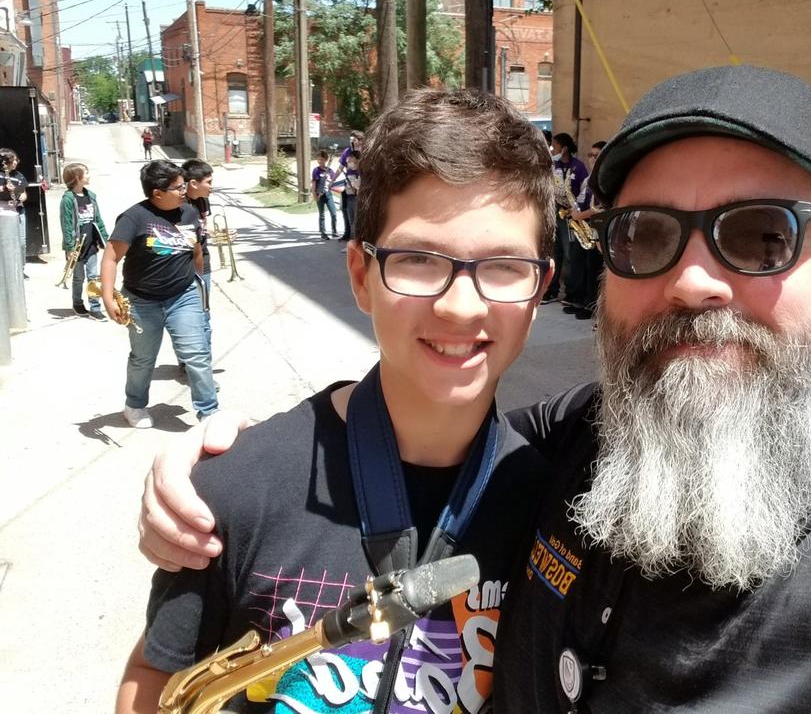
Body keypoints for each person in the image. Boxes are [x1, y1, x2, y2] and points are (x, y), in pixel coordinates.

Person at [139, 66, 811, 713]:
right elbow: (423, 417)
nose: (696, 280)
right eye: (646, 235)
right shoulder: (569, 447)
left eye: (760, 236)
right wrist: (226, 460)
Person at [115, 89, 556, 714]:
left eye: (506, 266)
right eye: (419, 260)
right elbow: (158, 676)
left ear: (542, 288)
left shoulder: (558, 510)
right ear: (359, 276)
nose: (462, 305)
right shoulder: (237, 490)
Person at [101, 160, 217, 429]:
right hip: (142, 301)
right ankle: (135, 405)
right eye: (178, 187)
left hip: (183, 296)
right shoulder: (134, 217)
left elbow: (196, 252)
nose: (184, 191)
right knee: (143, 358)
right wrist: (108, 297)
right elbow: (110, 258)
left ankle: (209, 413)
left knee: (196, 353)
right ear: (157, 193)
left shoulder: (189, 213)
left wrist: (199, 283)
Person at [59, 162, 109, 319]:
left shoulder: (91, 196)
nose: (88, 176)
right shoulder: (67, 200)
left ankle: (95, 307)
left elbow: (98, 220)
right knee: (79, 277)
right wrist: (69, 247)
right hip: (77, 246)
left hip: (91, 244)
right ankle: (78, 303)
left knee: (93, 276)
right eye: (86, 173)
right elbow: (66, 224)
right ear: (77, 178)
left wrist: (106, 240)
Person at [544, 132, 588, 304]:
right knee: (555, 252)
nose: (553, 148)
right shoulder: (553, 164)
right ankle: (552, 289)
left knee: (569, 252)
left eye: (556, 145)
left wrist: (575, 210)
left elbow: (584, 190)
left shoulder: (579, 166)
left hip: (571, 213)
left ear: (565, 148)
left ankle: (570, 290)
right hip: (555, 210)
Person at [565, 140, 606, 319]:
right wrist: (574, 211)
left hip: (596, 229)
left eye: (596, 155)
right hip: (582, 228)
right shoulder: (589, 179)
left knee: (593, 269)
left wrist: (580, 215)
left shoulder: (605, 179)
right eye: (590, 155)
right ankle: (579, 300)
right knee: (578, 265)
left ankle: (590, 306)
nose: (592, 158)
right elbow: (581, 199)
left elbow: (603, 207)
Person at [182, 159, 215, 363]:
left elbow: (204, 228)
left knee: (204, 316)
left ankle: (202, 365)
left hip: (204, 261)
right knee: (193, 318)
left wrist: (217, 234)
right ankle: (191, 363)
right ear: (194, 183)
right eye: (209, 182)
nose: (212, 186)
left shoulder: (203, 200)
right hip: (185, 266)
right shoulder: (180, 204)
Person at [0, 147, 29, 277]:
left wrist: (20, 197)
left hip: (17, 210)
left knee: (21, 242)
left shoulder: (19, 176)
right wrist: (4, 188)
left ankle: (20, 269)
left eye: (16, 159)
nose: (16, 162)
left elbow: (23, 193)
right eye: (13, 159)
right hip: (2, 211)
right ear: (4, 162)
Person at [310, 148, 338, 240]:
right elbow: (314, 183)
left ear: (326, 160)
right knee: (322, 214)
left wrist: (329, 180)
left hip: (328, 194)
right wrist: (314, 195)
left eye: (321, 159)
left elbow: (333, 181)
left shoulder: (329, 170)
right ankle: (323, 233)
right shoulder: (316, 170)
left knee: (333, 213)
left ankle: (334, 231)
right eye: (318, 159)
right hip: (319, 194)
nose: (319, 161)